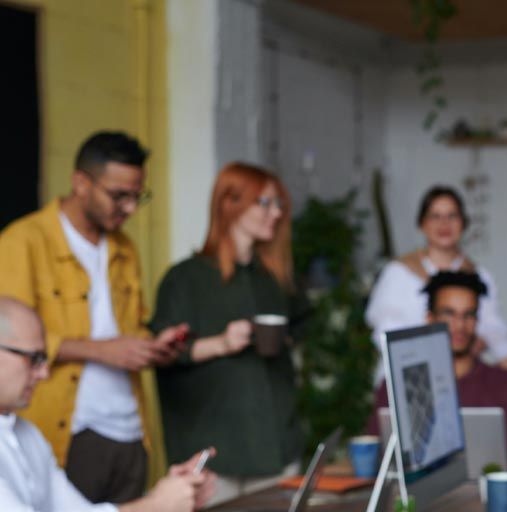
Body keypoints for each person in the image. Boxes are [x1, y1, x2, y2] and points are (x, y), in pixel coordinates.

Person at [0, 131, 189, 503]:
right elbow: (12, 334)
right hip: (70, 429)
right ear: (81, 183)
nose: (130, 208)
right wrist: (102, 351)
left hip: (130, 429)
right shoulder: (23, 242)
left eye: (138, 196)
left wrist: (152, 348)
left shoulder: (125, 248)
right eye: (119, 195)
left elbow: (128, 328)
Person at [149, 162, 303, 506]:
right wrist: (221, 343)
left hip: (277, 444)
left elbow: (300, 328)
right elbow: (162, 353)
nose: (275, 213)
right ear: (229, 204)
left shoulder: (274, 278)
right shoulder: (185, 279)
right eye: (264, 203)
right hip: (217, 454)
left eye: (278, 204)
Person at [0, 296, 215, 512]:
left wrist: (168, 497)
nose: (44, 373)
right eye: (34, 358)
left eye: (44, 359)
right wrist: (155, 506)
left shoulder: (29, 437)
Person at [367, 271, 507, 469]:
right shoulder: (395, 385)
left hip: (482, 496)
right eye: (449, 314)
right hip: (415, 497)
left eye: (468, 315)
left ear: (477, 321)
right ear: (430, 318)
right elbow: (376, 460)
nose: (460, 325)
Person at [366, 185, 507, 371]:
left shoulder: (478, 276)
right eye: (435, 216)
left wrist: (504, 360)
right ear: (422, 224)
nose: (444, 224)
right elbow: (385, 331)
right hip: (406, 371)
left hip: (460, 376)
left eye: (452, 216)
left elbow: (493, 330)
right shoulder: (398, 272)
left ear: (463, 223)